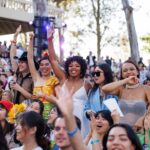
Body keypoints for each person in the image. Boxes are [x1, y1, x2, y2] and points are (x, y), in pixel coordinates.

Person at [47, 27, 91, 137]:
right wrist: (49, 40)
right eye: (71, 66)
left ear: (82, 68)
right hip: (63, 119)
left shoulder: (87, 84)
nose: (73, 68)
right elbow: (52, 60)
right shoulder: (63, 78)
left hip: (83, 122)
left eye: (77, 66)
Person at [102, 60, 150, 126]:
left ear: (137, 72)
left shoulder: (146, 88)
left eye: (132, 69)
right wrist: (126, 80)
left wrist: (143, 118)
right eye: (125, 71)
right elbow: (104, 89)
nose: (129, 72)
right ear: (122, 74)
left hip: (140, 131)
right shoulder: (120, 89)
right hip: (122, 130)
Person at [27, 33, 59, 119]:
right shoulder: (36, 78)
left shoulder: (55, 80)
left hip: (48, 116)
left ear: (51, 66)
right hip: (34, 115)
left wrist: (43, 95)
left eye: (47, 64)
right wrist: (31, 40)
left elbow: (58, 102)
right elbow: (30, 59)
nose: (44, 67)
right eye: (41, 65)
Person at [10, 25, 34, 104]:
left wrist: (19, 88)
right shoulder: (18, 73)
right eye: (19, 62)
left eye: (22, 62)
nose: (19, 64)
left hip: (27, 113)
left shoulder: (33, 78)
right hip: (14, 111)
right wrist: (15, 37)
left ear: (29, 64)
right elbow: (12, 57)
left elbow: (34, 98)